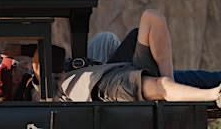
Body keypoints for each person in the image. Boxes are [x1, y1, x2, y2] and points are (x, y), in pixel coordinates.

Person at [58, 9, 221, 104]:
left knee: (109, 37)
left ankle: (172, 84)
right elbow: (160, 87)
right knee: (173, 83)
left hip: (104, 71)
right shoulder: (116, 87)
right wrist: (212, 94)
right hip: (115, 82)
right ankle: (173, 90)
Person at [88, 17, 221, 89]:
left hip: (93, 81)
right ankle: (170, 83)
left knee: (106, 39)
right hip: (110, 87)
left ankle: (169, 82)